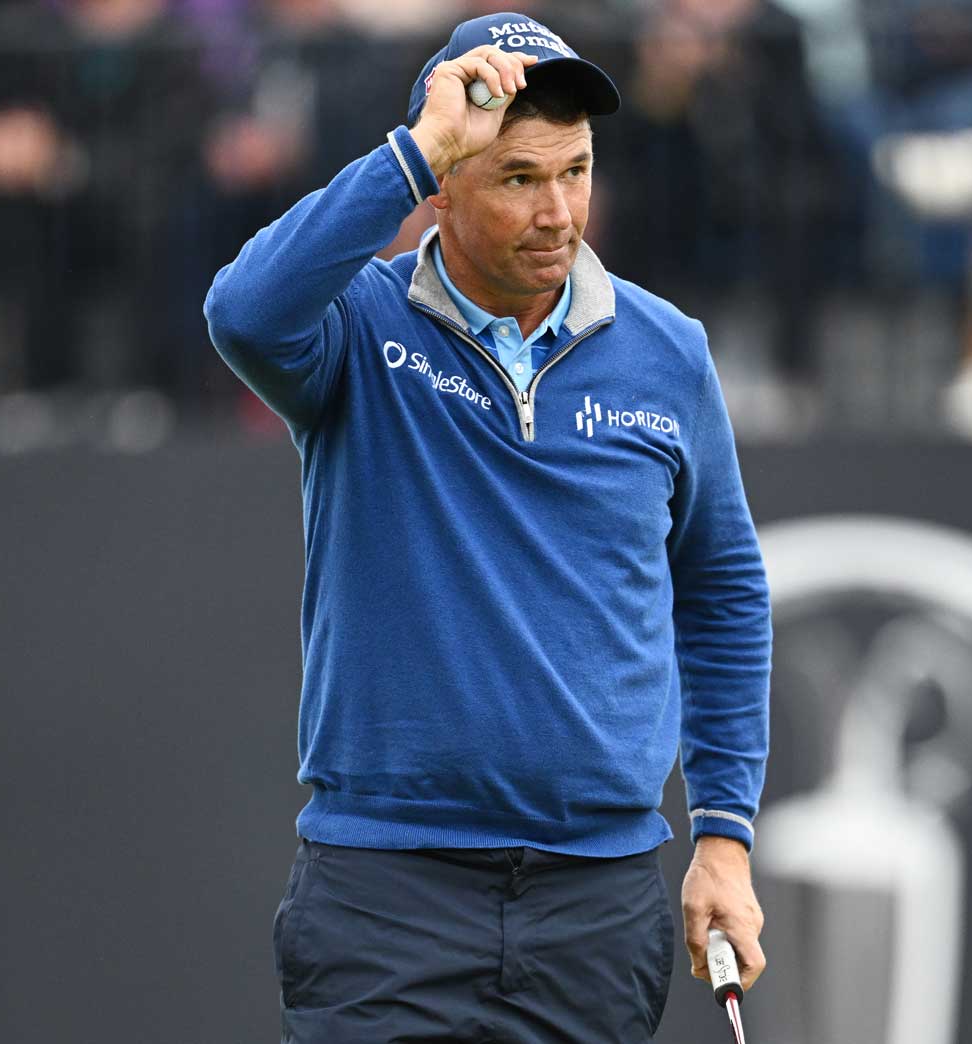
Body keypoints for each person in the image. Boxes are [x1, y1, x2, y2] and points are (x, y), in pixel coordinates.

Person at [202, 12, 771, 1043]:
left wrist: (723, 837)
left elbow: (722, 591)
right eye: (517, 177)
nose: (557, 212)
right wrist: (408, 153)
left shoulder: (667, 353)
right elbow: (244, 313)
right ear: (447, 181)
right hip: (386, 895)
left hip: (594, 908)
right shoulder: (360, 329)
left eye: (576, 171)